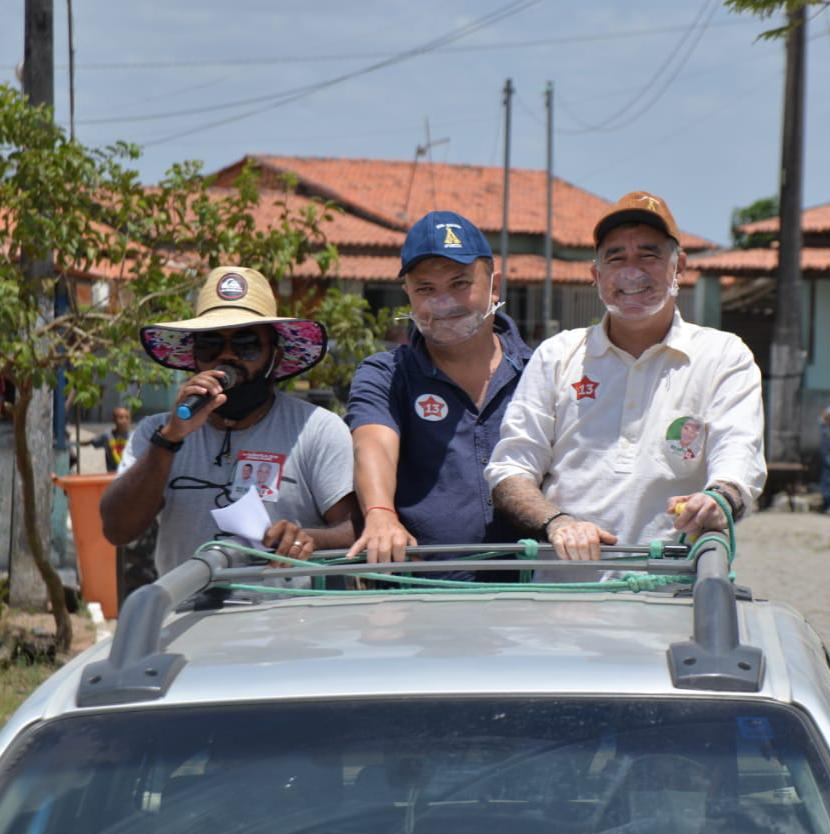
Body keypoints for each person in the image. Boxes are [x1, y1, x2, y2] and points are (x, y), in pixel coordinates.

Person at [485, 191, 766, 569]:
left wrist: (718, 498)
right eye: (616, 258)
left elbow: (738, 454)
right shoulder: (558, 355)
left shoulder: (723, 356)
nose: (632, 272)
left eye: (649, 256)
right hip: (560, 597)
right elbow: (511, 468)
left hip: (676, 591)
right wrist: (557, 522)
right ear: (595, 274)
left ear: (678, 266)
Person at [100, 265, 357, 575]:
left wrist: (308, 538)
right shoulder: (158, 433)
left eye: (246, 346)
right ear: (195, 357)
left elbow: (355, 530)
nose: (227, 357)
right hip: (186, 618)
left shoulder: (318, 430)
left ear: (273, 357)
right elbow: (117, 529)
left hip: (285, 618)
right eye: (210, 345)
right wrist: (169, 439)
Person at [346, 210, 532, 566]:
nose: (443, 303)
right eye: (425, 289)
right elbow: (373, 443)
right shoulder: (386, 374)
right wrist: (380, 513)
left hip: (534, 586)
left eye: (460, 284)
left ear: (495, 286)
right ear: (408, 296)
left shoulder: (540, 369)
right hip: (425, 591)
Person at [86, 406, 131, 472]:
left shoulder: (133, 437)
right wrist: (77, 443)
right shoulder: (107, 436)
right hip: (112, 475)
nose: (124, 420)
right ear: (114, 419)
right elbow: (93, 442)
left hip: (129, 474)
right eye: (121, 417)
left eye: (127, 418)